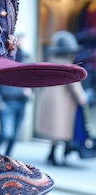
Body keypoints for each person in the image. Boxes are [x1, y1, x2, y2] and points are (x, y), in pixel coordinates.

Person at [36, 31, 89, 165]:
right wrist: (82, 98)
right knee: (63, 130)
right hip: (63, 103)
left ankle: (53, 154)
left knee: (56, 131)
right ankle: (58, 156)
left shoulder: (52, 62)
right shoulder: (68, 66)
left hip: (50, 100)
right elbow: (74, 85)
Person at [0, 36, 32, 155]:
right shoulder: (4, 58)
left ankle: (7, 158)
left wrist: (29, 90)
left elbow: (30, 78)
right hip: (6, 103)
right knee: (6, 133)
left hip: (21, 102)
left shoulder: (25, 58)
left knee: (15, 135)